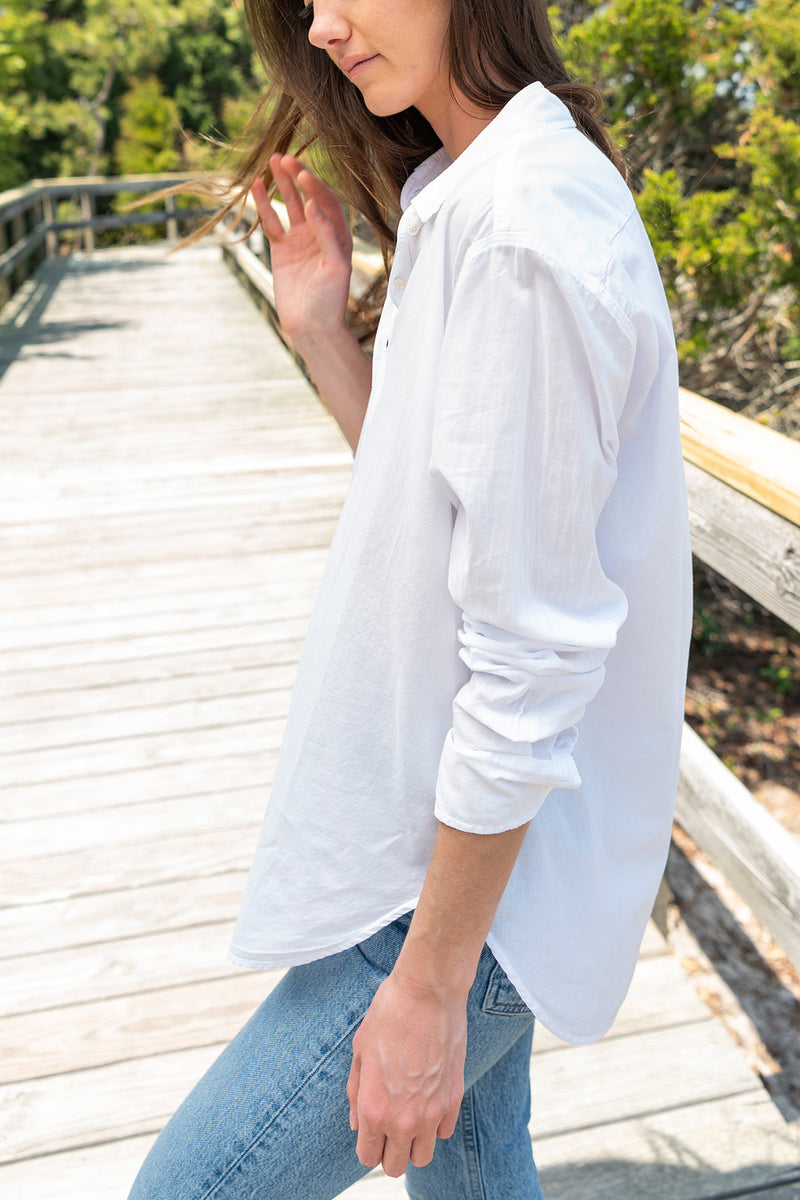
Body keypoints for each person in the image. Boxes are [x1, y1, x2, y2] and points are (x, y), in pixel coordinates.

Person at [129, 1, 692, 1197]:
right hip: (453, 844)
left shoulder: (523, 226)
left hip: (455, 883)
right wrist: (323, 335)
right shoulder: (470, 186)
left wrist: (430, 982)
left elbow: (534, 655)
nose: (325, 28)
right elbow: (435, 511)